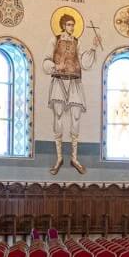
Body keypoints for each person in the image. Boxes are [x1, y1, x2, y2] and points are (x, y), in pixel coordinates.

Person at [43, 13, 98, 175]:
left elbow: (84, 63)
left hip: (74, 82)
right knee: (58, 116)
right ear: (62, 26)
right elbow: (45, 60)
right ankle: (59, 158)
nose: (71, 27)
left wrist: (93, 48)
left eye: (73, 25)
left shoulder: (77, 42)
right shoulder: (55, 40)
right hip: (59, 82)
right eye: (68, 24)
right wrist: (55, 66)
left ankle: (74, 158)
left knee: (75, 117)